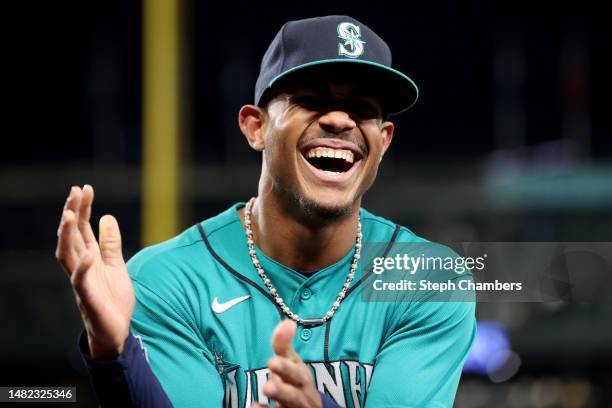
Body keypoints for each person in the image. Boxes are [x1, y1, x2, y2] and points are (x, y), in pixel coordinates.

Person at [56, 15, 476, 407]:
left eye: (363, 108)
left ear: (383, 141)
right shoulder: (168, 280)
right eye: (311, 100)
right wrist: (114, 355)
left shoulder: (428, 278)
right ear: (255, 127)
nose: (338, 119)